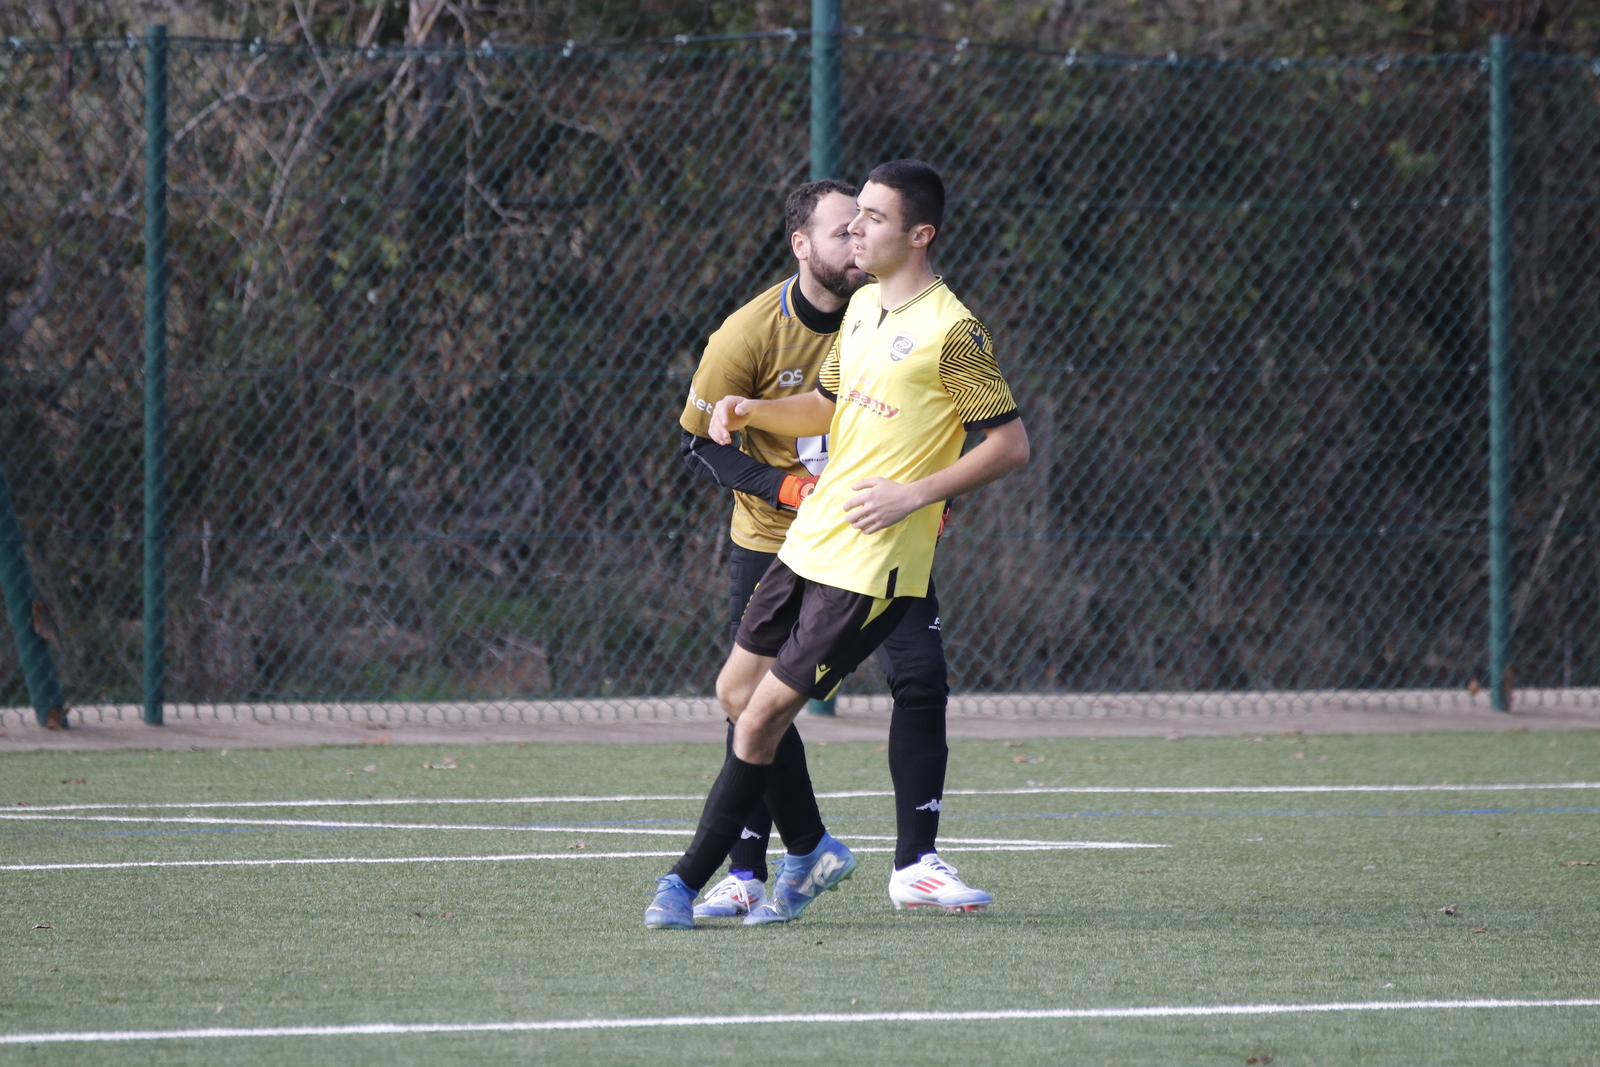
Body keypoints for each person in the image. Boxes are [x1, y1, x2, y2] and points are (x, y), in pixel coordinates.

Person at [647, 159, 1030, 929]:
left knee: (766, 713)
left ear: (919, 235)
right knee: (735, 692)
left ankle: (686, 882)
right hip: (810, 538)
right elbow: (827, 406)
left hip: (873, 558)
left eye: (874, 217)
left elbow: (1011, 444)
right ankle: (813, 848)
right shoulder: (860, 310)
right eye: (854, 216)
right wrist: (751, 408)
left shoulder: (952, 331)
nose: (856, 227)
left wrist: (916, 493)